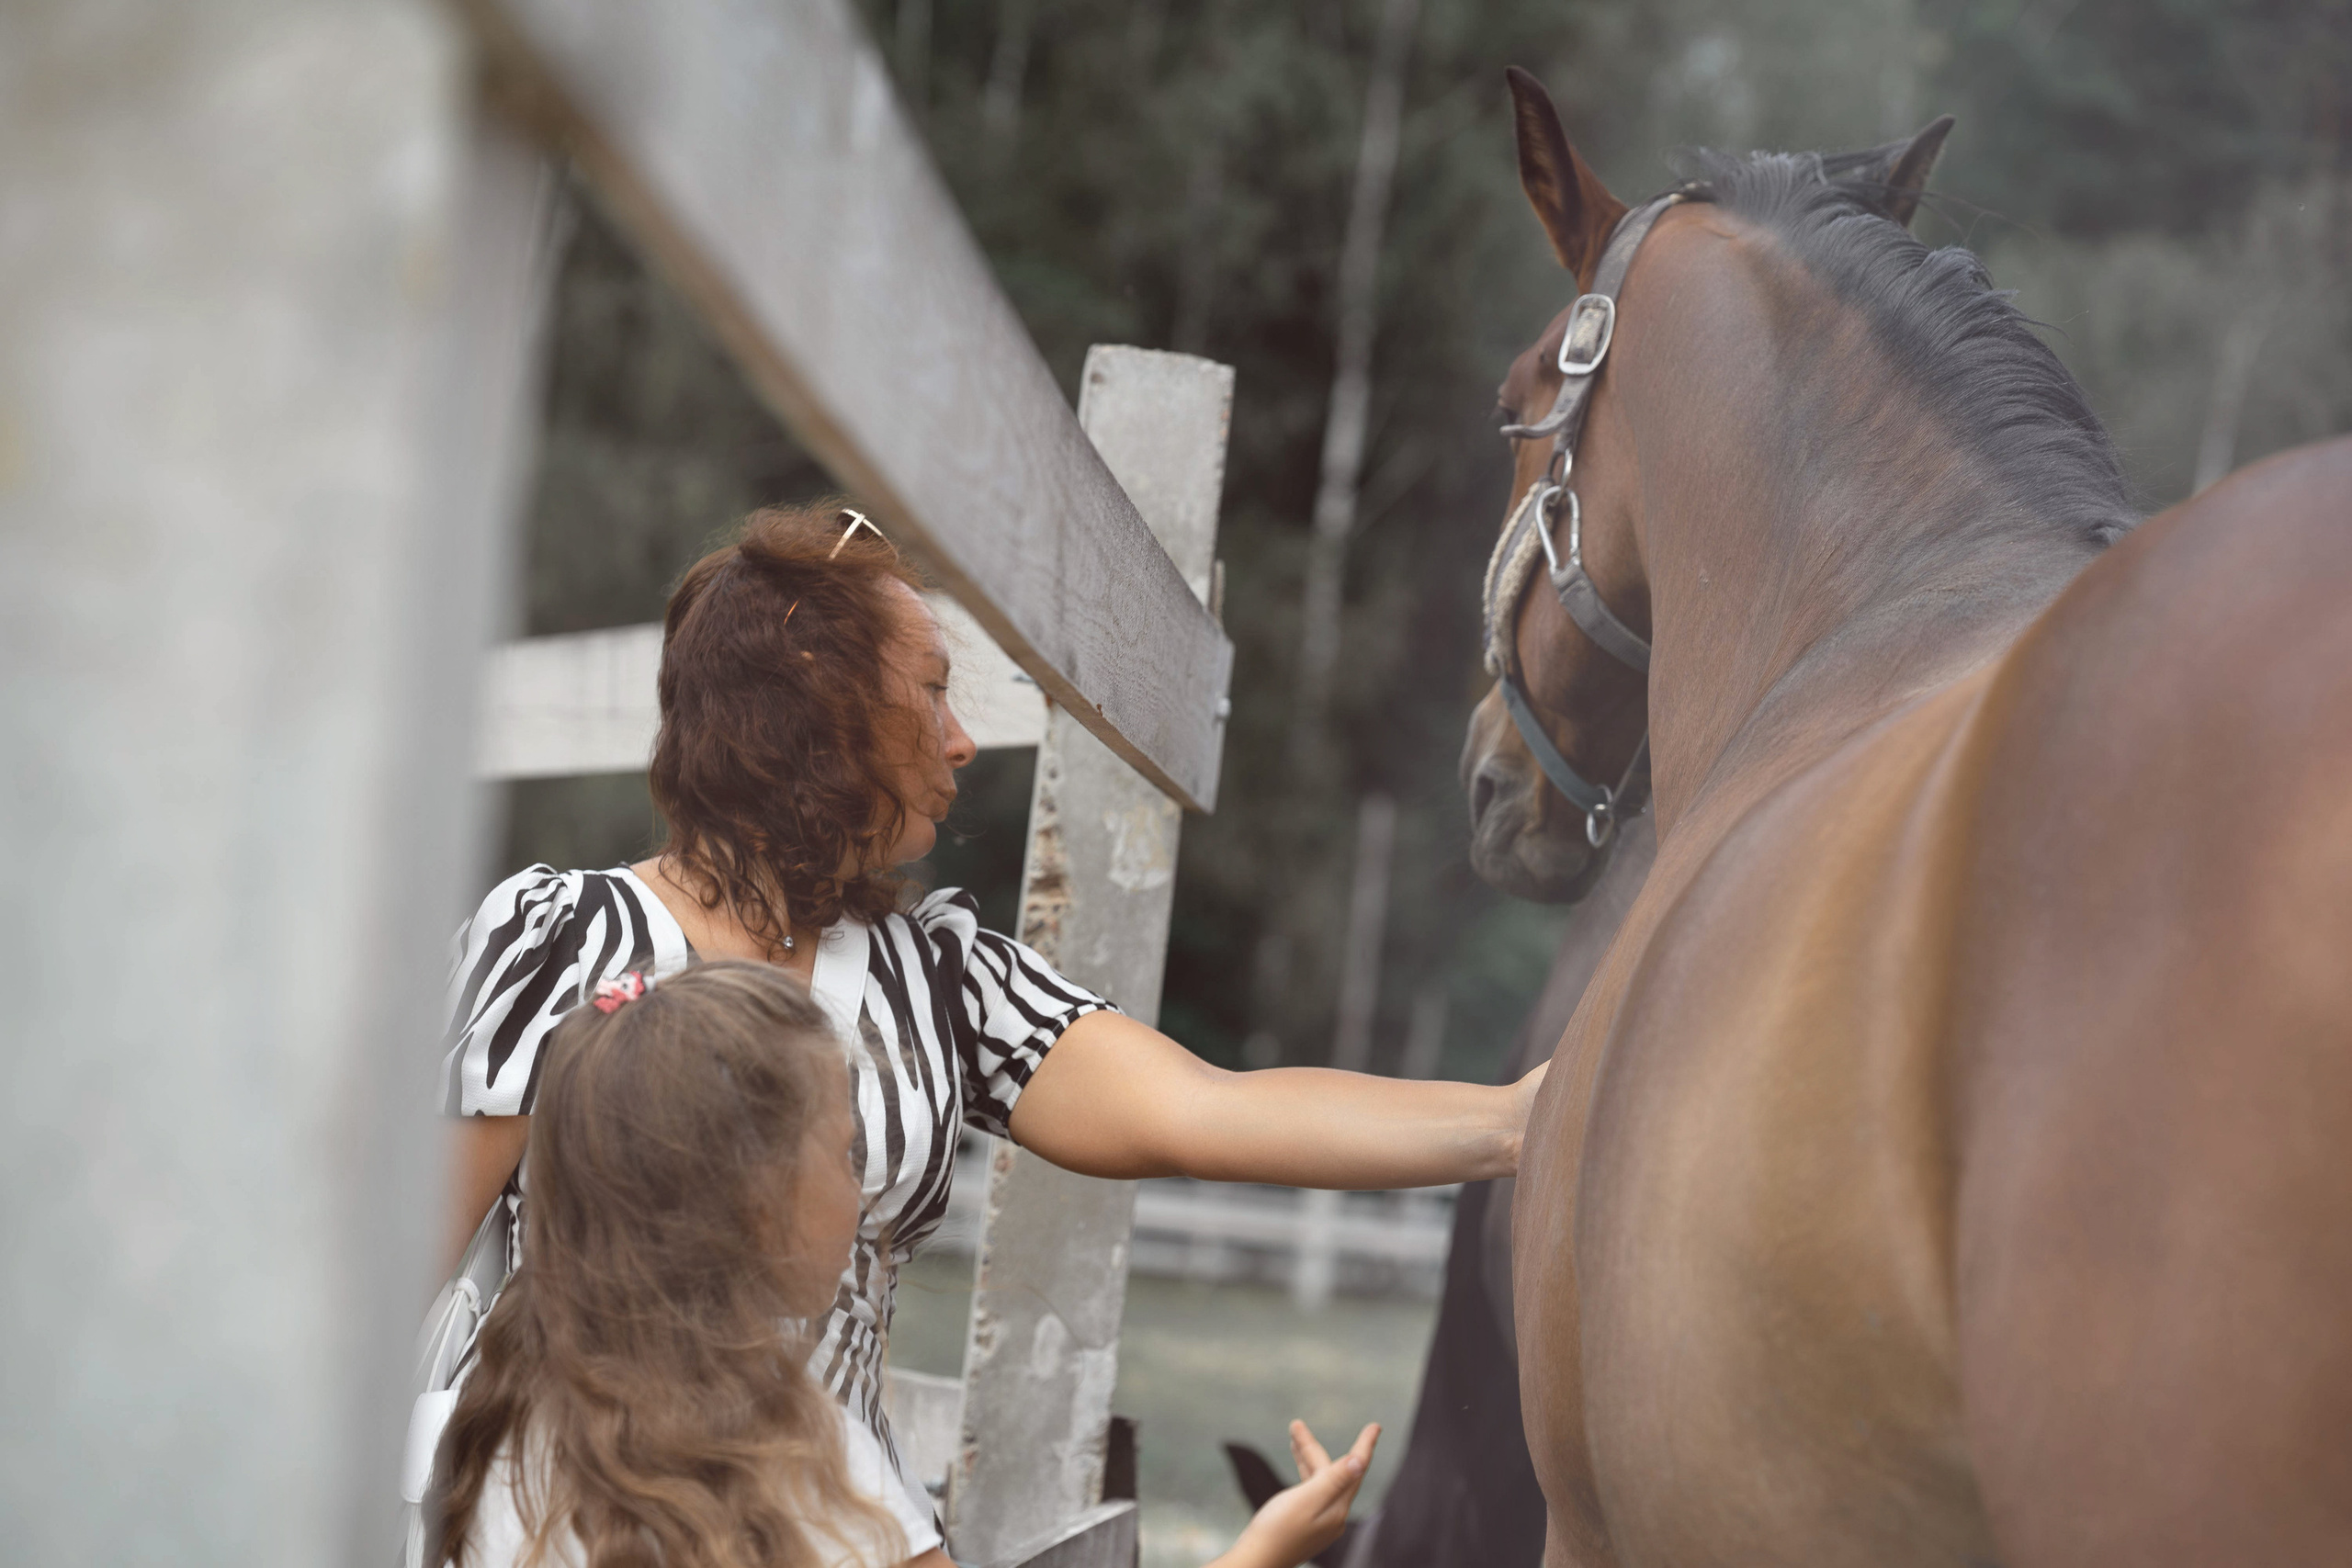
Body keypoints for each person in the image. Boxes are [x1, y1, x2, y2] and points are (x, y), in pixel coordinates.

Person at [441, 502, 1540, 1513]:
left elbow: (1209, 1110)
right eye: (930, 688)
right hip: (558, 1522)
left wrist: (1522, 1123)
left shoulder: (941, 978)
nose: (961, 737)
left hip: (828, 1529)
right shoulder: (559, 938)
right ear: (813, 696)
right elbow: (405, 1269)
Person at [432, 960, 1378, 1568]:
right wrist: (1264, 1550)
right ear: (752, 1203)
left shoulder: (498, 1433)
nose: (864, 1188)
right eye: (847, 1156)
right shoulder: (805, 1463)